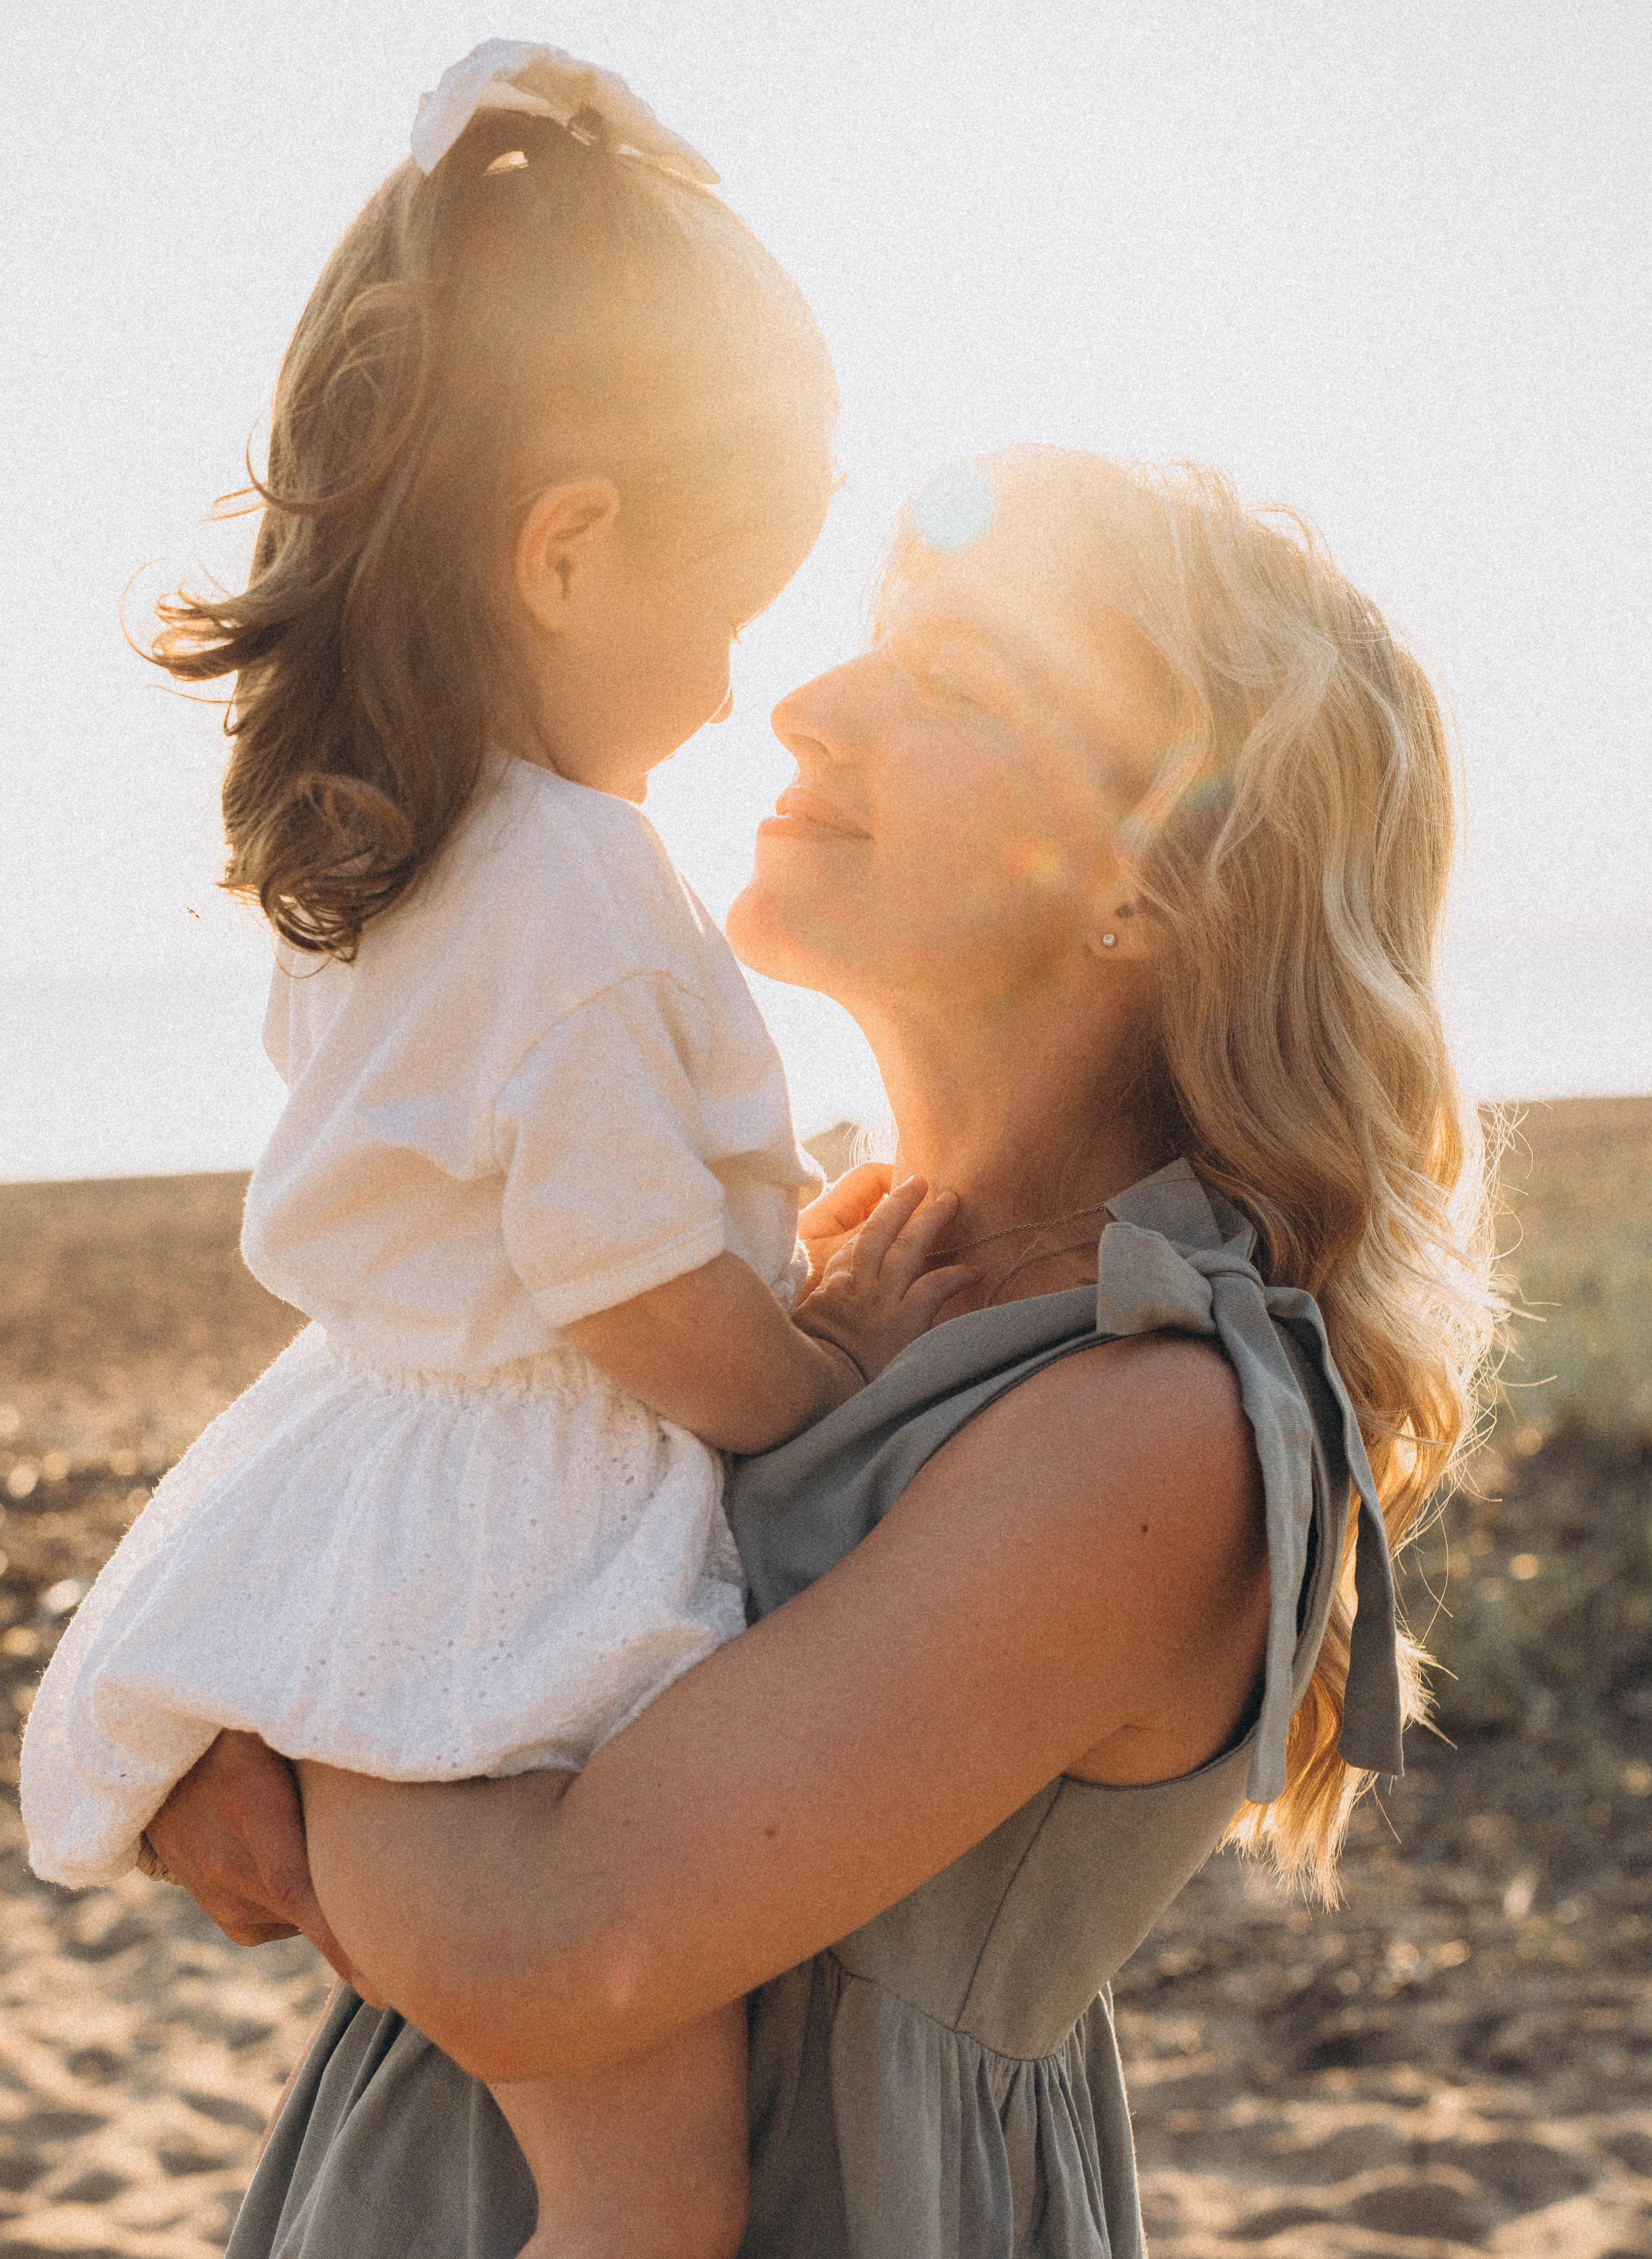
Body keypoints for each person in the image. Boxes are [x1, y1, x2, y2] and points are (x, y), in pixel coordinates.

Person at [145, 445, 1496, 2258]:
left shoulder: (1156, 1427)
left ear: (1159, 875)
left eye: (954, 680)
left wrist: (297, 1752)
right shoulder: (763, 1273)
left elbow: (557, 1947)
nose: (800, 702)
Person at [20, 42, 976, 2259]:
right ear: (569, 551)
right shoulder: (570, 871)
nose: (742, 690)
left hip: (388, 1513)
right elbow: (633, 1281)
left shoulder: (402, 859)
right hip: (512, 1581)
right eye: (730, 612)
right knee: (650, 2204)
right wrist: (823, 1385)